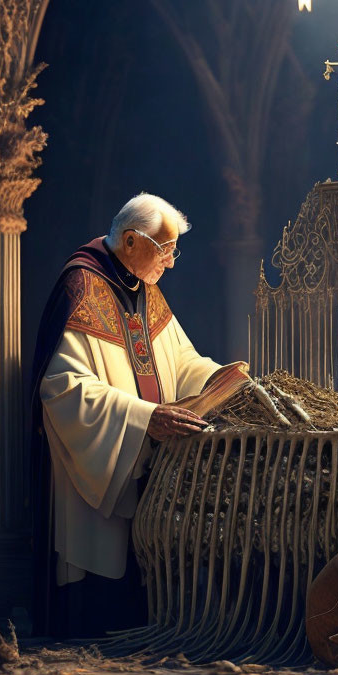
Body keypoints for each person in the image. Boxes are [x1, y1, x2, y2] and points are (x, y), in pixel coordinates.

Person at [30, 193, 225, 637]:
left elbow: (181, 360)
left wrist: (221, 380)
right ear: (133, 242)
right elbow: (61, 387)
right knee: (97, 595)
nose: (171, 263)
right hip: (96, 467)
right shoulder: (80, 287)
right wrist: (142, 418)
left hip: (145, 458)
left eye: (175, 250)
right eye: (166, 251)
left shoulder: (144, 285)